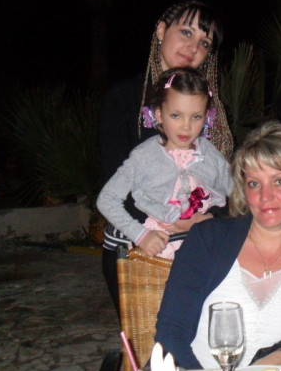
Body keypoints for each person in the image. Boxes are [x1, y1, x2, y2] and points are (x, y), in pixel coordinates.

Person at [156, 121, 281, 369]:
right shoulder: (208, 238)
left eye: (279, 181)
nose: (265, 196)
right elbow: (171, 332)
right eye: (254, 183)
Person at [99, 0, 234, 314]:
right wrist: (162, 226)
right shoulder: (124, 98)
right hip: (139, 247)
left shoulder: (210, 110)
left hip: (199, 245)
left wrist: (209, 219)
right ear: (161, 31)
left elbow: (227, 186)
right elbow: (111, 187)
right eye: (186, 32)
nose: (193, 48)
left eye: (204, 43)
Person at [97, 68, 233, 260]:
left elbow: (239, 196)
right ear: (159, 114)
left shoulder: (211, 155)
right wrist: (140, 235)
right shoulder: (144, 156)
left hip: (207, 250)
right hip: (160, 255)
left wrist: (214, 216)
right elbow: (107, 199)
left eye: (196, 116)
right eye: (176, 115)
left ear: (207, 116)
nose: (186, 126)